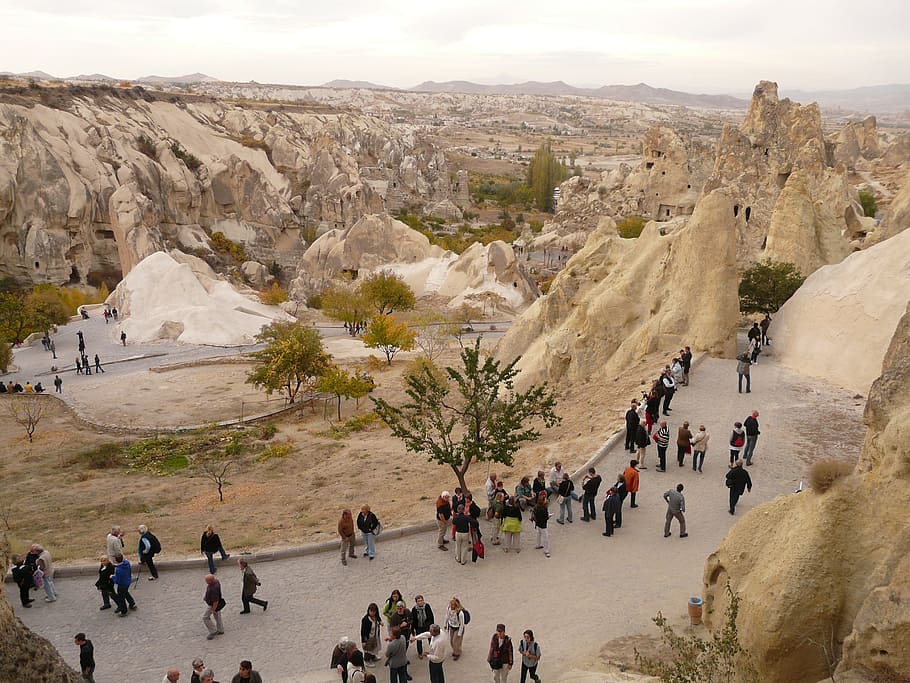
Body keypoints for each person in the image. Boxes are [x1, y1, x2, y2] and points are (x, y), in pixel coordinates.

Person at [202, 573, 225, 640]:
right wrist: (206, 597)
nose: (206, 582)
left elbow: (215, 601)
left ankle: (213, 631)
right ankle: (220, 630)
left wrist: (213, 609)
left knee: (205, 617)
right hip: (216, 603)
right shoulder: (216, 581)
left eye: (207, 581)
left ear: (211, 581)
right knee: (217, 616)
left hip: (212, 604)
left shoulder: (214, 588)